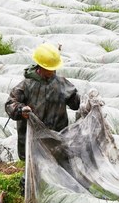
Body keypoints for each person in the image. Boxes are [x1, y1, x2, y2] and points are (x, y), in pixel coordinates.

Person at [5, 43, 80, 192]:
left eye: (54, 68)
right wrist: (21, 110)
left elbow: (75, 104)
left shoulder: (61, 84)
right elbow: (10, 104)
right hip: (33, 139)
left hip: (56, 138)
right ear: (40, 66)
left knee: (64, 174)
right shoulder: (26, 85)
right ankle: (29, 200)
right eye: (49, 69)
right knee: (33, 175)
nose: (52, 72)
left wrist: (77, 100)